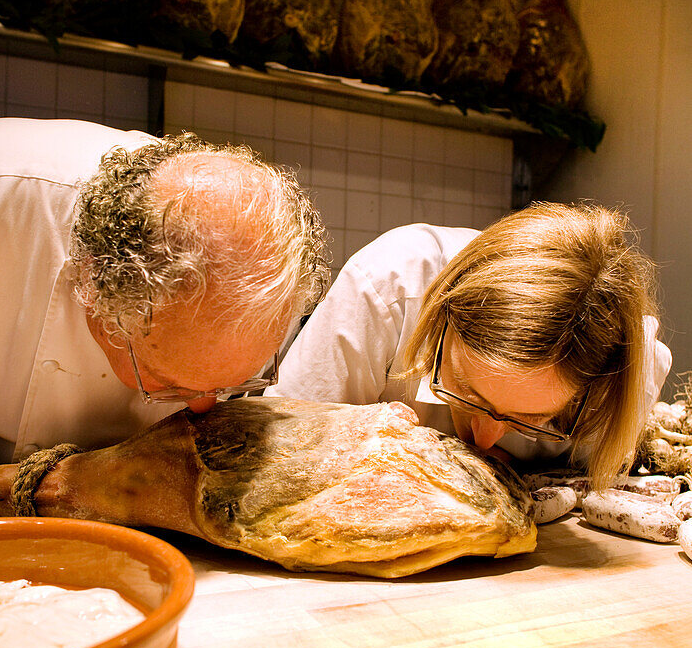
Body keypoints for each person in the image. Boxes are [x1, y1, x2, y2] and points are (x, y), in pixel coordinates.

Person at [0, 118, 328, 472]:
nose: (203, 407)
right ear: (93, 288)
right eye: (168, 384)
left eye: (231, 384)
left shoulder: (277, 276)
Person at [266, 204, 672, 489]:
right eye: (466, 389)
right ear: (442, 319)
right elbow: (278, 454)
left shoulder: (627, 369)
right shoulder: (387, 287)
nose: (483, 438)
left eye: (527, 418)